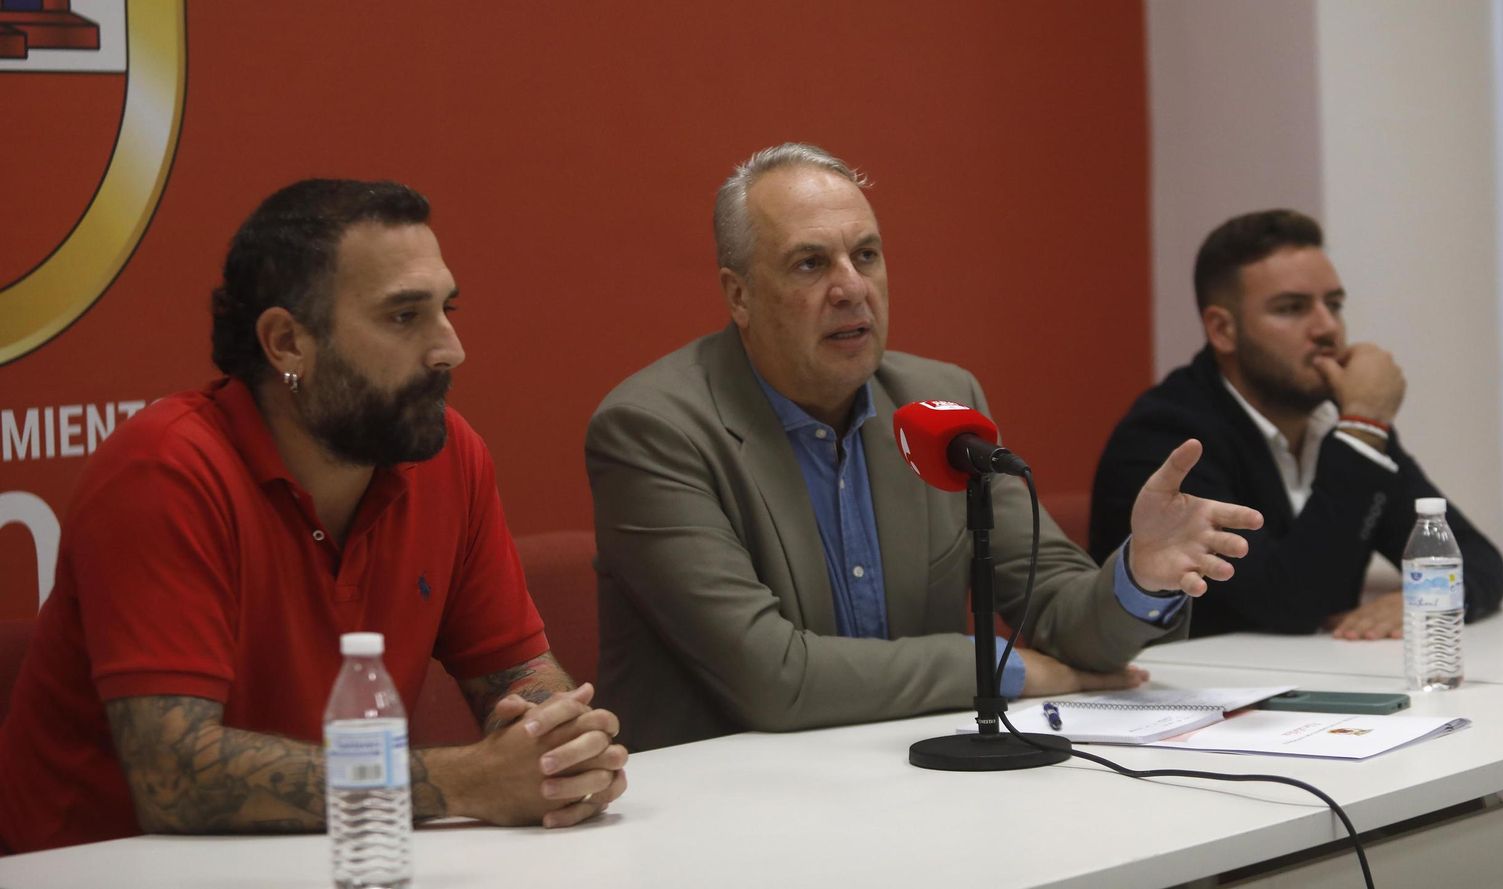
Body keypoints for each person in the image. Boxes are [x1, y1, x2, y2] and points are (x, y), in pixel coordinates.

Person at [0, 179, 626, 854]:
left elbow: (516, 674)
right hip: (97, 868)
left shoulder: (447, 456)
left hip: (329, 857)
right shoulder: (164, 470)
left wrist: (560, 746)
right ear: (287, 343)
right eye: (403, 317)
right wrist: (465, 781)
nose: (450, 349)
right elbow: (173, 778)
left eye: (447, 309)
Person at [586, 143, 1263, 751]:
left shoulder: (940, 400)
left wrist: (1139, 575)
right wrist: (1001, 665)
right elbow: (774, 678)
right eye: (810, 263)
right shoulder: (654, 429)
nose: (851, 288)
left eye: (867, 255)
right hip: (722, 809)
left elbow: (1061, 609)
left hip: (913, 780)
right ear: (740, 295)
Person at [1088, 209, 1503, 639]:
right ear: (1222, 330)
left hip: (1312, 681)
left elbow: (1475, 557)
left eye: (1335, 305)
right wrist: (1363, 427)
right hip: (1194, 696)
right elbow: (1289, 605)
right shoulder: (1169, 437)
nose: (1327, 328)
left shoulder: (1338, 423)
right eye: (1292, 308)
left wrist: (1433, 595)